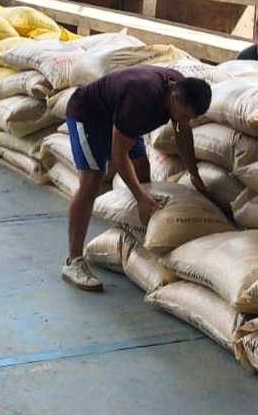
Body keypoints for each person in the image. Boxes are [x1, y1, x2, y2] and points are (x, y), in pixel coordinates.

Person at [62, 66, 213, 292]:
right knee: (91, 182)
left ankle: (142, 238)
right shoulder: (141, 96)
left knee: (143, 167)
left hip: (121, 116)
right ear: (173, 97)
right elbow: (118, 155)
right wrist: (140, 198)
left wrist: (194, 173)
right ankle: (73, 261)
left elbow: (182, 132)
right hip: (88, 115)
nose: (184, 120)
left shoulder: (180, 88)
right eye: (183, 115)